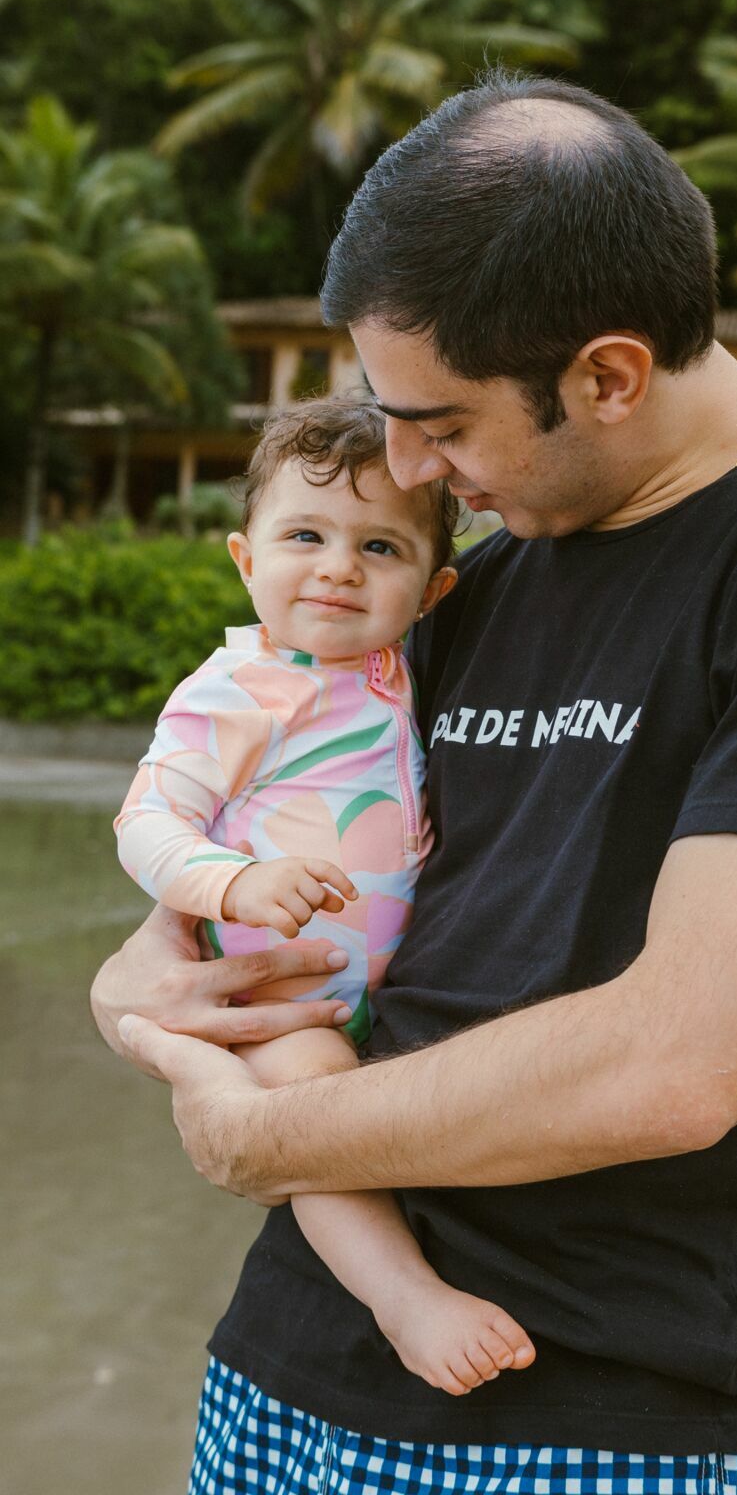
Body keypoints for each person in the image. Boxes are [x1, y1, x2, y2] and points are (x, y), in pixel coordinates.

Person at [92, 72, 737, 1495]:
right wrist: (134, 998)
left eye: (439, 422)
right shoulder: (463, 585)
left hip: (597, 1411)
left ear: (608, 374)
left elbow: (673, 1063)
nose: (402, 470)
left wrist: (264, 1134)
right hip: (284, 1364)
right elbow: (236, 897)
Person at [113, 398, 538, 1397]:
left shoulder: (390, 673)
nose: (339, 566)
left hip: (383, 988)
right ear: (243, 558)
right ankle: (403, 1297)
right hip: (279, 989)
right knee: (314, 1126)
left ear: (433, 590)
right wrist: (238, 880)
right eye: (304, 535)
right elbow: (146, 821)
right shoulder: (237, 688)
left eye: (378, 545)